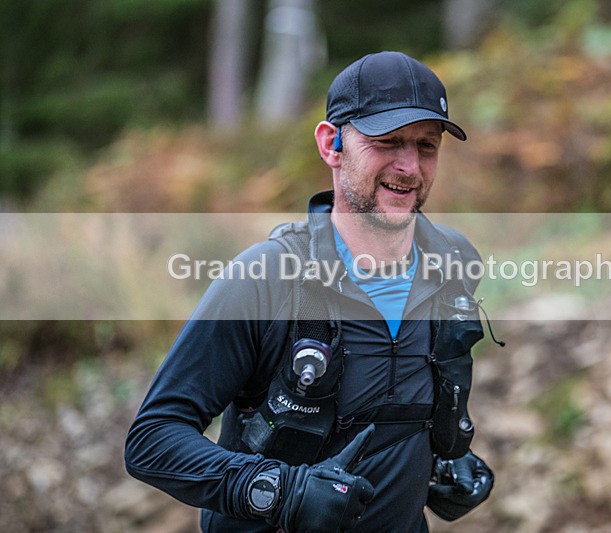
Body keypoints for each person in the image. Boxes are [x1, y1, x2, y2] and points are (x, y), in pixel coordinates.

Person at [125, 51, 495, 532]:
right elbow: (153, 439)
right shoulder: (266, 279)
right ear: (331, 144)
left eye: (427, 146)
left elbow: (395, 407)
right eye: (388, 141)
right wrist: (280, 492)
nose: (410, 167)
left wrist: (441, 464)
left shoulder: (454, 262)